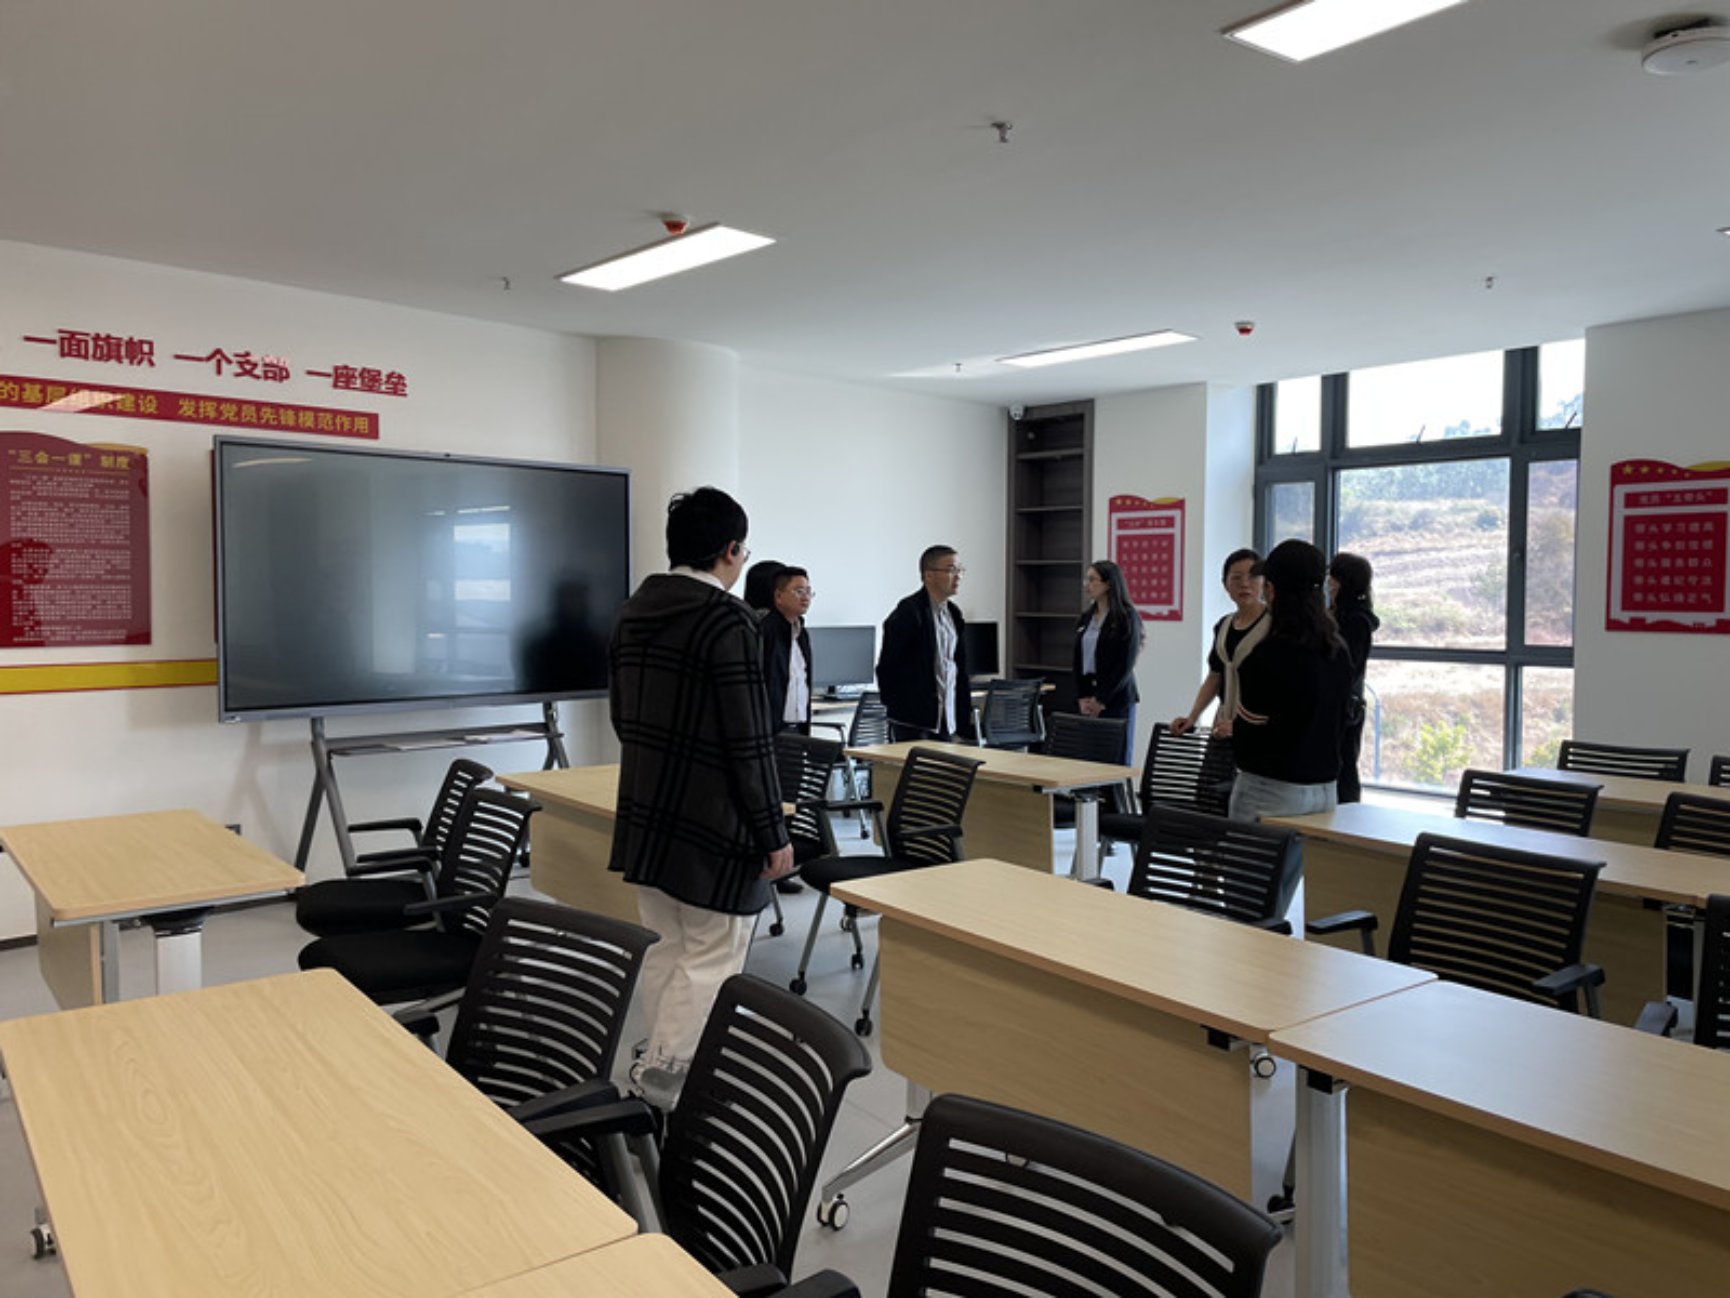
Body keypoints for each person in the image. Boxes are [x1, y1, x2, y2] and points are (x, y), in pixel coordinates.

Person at [608, 487, 793, 1108]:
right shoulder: (729, 621)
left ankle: (654, 1065)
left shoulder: (633, 612)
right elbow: (750, 742)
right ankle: (666, 1083)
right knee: (713, 955)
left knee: (666, 946)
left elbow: (622, 718)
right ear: (731, 550)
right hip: (717, 826)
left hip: (648, 813)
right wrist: (773, 833)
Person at [1228, 539, 1354, 821]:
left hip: (1270, 790)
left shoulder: (1266, 656)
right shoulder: (1338, 651)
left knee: (1248, 853)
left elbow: (1249, 739)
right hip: (1325, 791)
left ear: (1271, 591)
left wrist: (1233, 730)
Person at [876, 545, 975, 741]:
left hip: (946, 717)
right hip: (913, 721)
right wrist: (898, 705)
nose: (958, 576)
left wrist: (964, 713)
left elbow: (957, 667)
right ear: (929, 575)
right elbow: (887, 666)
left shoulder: (953, 614)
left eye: (960, 570)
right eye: (951, 570)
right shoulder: (909, 612)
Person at [1171, 548, 1268, 739]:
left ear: (1264, 582)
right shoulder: (1223, 625)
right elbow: (1215, 676)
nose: (1245, 584)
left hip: (1258, 727)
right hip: (1223, 722)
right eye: (1236, 578)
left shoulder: (1274, 624)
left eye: (1252, 577)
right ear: (1225, 584)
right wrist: (1193, 717)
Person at [1073, 558, 1141, 766]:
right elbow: (1078, 659)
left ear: (1108, 583)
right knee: (1091, 761)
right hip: (1090, 696)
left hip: (1116, 697)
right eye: (1086, 579)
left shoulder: (1126, 618)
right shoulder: (1087, 618)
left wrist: (1101, 699)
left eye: (1092, 579)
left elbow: (1125, 664)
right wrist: (1083, 695)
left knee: (1116, 762)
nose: (1087, 584)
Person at [1329, 551, 1380, 803]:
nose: (1328, 582)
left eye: (1333, 576)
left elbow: (1350, 667)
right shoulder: (1339, 614)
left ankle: (1347, 813)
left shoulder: (1356, 621)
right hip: (1340, 703)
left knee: (1344, 766)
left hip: (1343, 706)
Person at [762, 565, 814, 733]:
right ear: (778, 596)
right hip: (773, 729)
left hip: (798, 727)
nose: (805, 597)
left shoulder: (802, 633)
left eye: (808, 591)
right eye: (799, 591)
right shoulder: (766, 632)